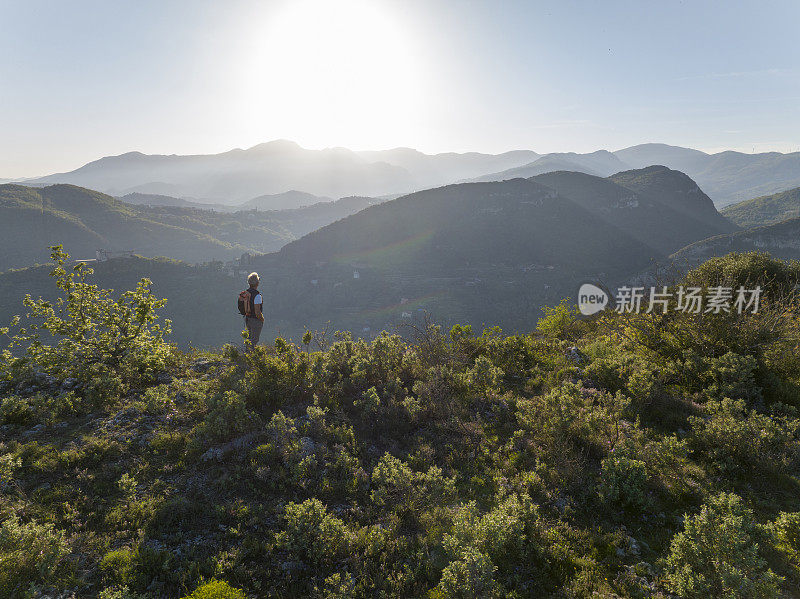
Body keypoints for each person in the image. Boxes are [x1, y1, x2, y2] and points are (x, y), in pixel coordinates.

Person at [244, 272, 264, 349]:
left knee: (249, 339)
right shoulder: (257, 296)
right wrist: (262, 319)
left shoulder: (246, 293)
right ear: (257, 283)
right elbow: (257, 311)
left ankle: (247, 355)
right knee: (254, 340)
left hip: (248, 319)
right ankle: (251, 356)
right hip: (255, 320)